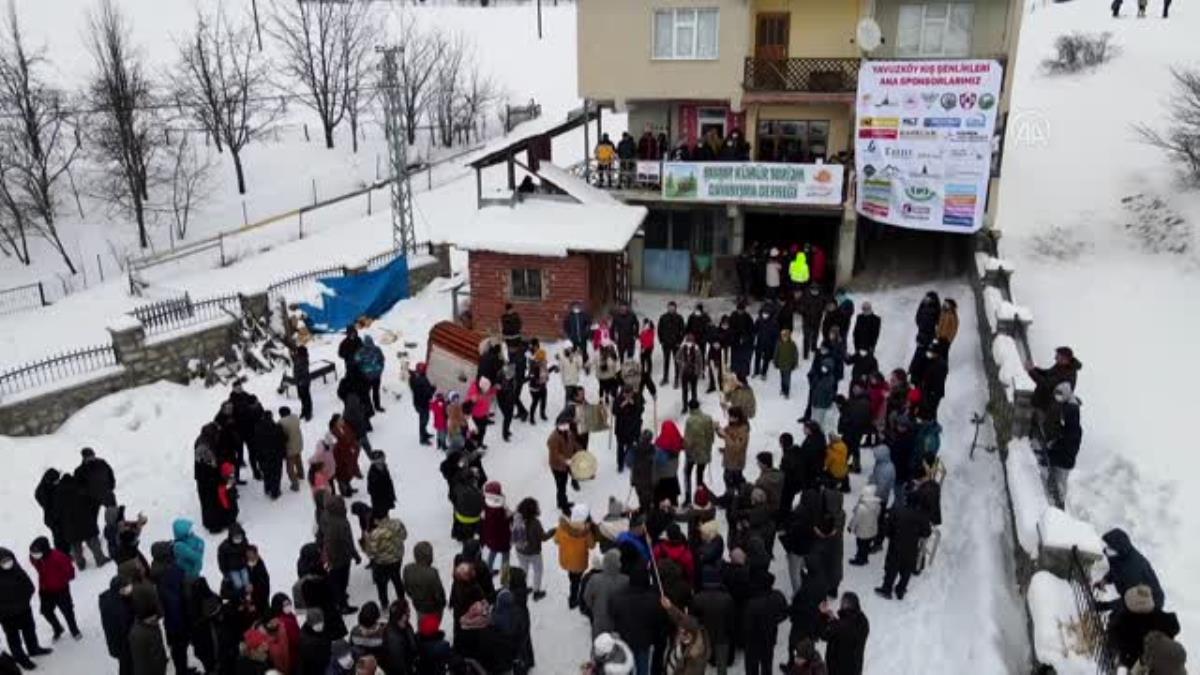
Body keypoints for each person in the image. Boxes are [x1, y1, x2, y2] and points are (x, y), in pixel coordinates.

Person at [611, 568, 667, 675]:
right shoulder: (653, 599)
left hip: (626, 639)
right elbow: (657, 621)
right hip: (643, 642)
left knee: (627, 667)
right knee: (643, 667)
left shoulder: (618, 598)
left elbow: (613, 615)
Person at [1095, 529, 1165, 612]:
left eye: (1110, 548)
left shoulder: (1132, 570)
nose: (1106, 550)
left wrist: (1105, 606)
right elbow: (1116, 570)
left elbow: (1131, 600)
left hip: (1149, 602)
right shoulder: (1121, 555)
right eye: (1107, 546)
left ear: (1119, 549)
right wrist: (1105, 580)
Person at [147, 541, 190, 675]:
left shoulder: (157, 568)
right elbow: (175, 600)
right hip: (177, 620)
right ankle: (182, 671)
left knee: (178, 649)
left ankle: (182, 669)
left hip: (171, 620)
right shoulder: (170, 572)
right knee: (180, 648)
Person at [874, 501, 931, 600]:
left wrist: (891, 535)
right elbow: (926, 533)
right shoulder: (922, 515)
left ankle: (887, 589)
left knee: (892, 567)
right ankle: (901, 590)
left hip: (896, 544)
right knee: (907, 569)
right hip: (912, 547)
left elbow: (887, 528)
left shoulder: (897, 511)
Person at [27, 536, 80, 642]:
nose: (34, 555)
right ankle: (57, 628)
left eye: (36, 552)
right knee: (46, 611)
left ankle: (74, 630)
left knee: (67, 610)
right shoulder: (35, 558)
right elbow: (33, 563)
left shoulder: (59, 557)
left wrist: (61, 580)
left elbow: (71, 573)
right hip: (45, 590)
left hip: (61, 589)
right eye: (33, 552)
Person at [741, 570, 788, 675]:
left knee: (752, 667)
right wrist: (775, 621)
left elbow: (746, 625)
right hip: (769, 638)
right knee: (767, 665)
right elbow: (785, 614)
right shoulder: (778, 596)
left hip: (753, 641)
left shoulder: (751, 603)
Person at [322, 496, 362, 614]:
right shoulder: (341, 523)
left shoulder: (325, 516)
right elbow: (348, 541)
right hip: (341, 557)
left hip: (330, 555)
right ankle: (342, 605)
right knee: (342, 581)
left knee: (335, 580)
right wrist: (355, 555)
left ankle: (337, 600)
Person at [555, 505, 597, 610]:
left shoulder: (563, 528)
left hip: (566, 559)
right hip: (579, 563)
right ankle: (573, 600)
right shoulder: (586, 533)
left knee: (572, 577)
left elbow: (556, 540)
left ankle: (573, 589)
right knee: (576, 581)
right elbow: (592, 546)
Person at [363, 511, 407, 609]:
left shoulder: (374, 533)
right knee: (397, 579)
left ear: (375, 519)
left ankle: (384, 604)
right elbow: (404, 536)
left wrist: (366, 540)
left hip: (381, 563)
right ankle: (402, 599)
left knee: (381, 584)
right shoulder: (397, 524)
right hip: (396, 559)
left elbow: (371, 553)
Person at [1047, 382, 1083, 502]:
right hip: (1066, 454)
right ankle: (1056, 497)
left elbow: (1069, 437)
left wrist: (1055, 445)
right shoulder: (1070, 407)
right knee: (1060, 479)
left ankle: (1059, 505)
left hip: (1066, 456)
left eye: (1060, 395)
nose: (1057, 398)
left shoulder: (1070, 411)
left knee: (1061, 482)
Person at [820, 592, 870, 675]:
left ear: (845, 605)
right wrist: (833, 620)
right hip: (855, 668)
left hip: (839, 669)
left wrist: (823, 615)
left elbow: (825, 634)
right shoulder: (863, 621)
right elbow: (845, 628)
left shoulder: (842, 626)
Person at [403, 541, 446, 633]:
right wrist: (442, 603)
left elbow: (407, 588)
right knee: (431, 628)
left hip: (418, 604)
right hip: (432, 608)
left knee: (421, 623)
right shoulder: (432, 573)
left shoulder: (407, 568)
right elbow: (438, 594)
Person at [681, 400, 715, 506]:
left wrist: (685, 448)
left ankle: (688, 498)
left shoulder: (690, 421)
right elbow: (711, 437)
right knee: (700, 475)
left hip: (692, 453)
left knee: (687, 474)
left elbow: (688, 440)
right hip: (704, 452)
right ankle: (700, 497)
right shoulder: (708, 418)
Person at [128, 583, 168, 675]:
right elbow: (157, 659)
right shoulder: (150, 633)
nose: (157, 621)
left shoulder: (136, 628)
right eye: (156, 618)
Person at [548, 416, 581, 513]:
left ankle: (562, 502)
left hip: (566, 464)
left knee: (564, 483)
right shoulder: (553, 437)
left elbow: (573, 443)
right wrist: (566, 461)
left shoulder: (569, 433)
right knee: (561, 486)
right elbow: (555, 453)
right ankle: (563, 506)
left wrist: (580, 450)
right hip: (557, 467)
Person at [716, 406, 750, 496]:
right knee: (729, 478)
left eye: (731, 416)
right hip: (729, 459)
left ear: (737, 417)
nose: (729, 418)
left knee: (734, 480)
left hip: (736, 461)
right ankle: (730, 495)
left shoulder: (743, 430)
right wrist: (717, 429)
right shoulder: (732, 425)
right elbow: (724, 433)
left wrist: (725, 435)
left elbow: (737, 447)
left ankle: (735, 498)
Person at [847, 485, 882, 567]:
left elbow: (855, 519)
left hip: (862, 531)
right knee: (866, 545)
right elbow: (877, 515)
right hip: (872, 529)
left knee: (860, 545)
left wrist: (850, 527)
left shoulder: (861, 507)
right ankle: (865, 558)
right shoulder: (877, 505)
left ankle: (860, 559)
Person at [653, 421, 685, 505]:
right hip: (672, 474)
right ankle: (674, 508)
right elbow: (684, 445)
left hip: (661, 475)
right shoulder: (678, 439)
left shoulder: (659, 441)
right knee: (673, 496)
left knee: (659, 497)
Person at [355, 335, 386, 413]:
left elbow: (382, 359)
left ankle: (377, 406)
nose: (369, 346)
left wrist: (380, 370)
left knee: (375, 392)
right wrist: (363, 372)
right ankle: (368, 408)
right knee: (366, 393)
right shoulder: (360, 352)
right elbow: (357, 363)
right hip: (367, 377)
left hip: (376, 376)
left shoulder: (377, 349)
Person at [657, 302, 685, 386]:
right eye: (670, 307)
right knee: (666, 361)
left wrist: (679, 342)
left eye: (673, 307)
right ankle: (665, 378)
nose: (671, 309)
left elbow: (682, 331)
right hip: (665, 343)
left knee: (676, 361)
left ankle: (677, 379)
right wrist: (661, 340)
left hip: (675, 343)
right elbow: (659, 329)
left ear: (675, 308)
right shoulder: (663, 317)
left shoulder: (679, 318)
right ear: (667, 308)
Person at [409, 363, 436, 446]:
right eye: (424, 369)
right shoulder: (421, 379)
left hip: (418, 403)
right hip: (422, 404)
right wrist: (433, 389)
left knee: (424, 419)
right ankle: (422, 439)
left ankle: (424, 433)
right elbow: (427, 393)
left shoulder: (413, 377)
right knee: (423, 421)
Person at [366, 450, 397, 520]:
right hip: (378, 500)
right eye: (381, 459)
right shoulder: (372, 473)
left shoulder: (384, 468)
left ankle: (385, 518)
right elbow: (370, 488)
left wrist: (392, 494)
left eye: (383, 458)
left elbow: (389, 481)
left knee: (386, 511)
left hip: (386, 496)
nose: (383, 460)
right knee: (380, 514)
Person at [676, 334, 703, 410]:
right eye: (688, 341)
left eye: (690, 341)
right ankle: (684, 406)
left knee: (694, 389)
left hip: (693, 372)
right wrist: (682, 363)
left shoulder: (697, 349)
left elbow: (700, 361)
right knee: (684, 390)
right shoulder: (682, 348)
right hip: (684, 372)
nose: (689, 343)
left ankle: (694, 404)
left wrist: (699, 371)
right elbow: (677, 358)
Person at [774, 327, 800, 398]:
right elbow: (776, 353)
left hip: (789, 365)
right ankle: (783, 389)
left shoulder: (792, 344)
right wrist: (775, 362)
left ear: (788, 337)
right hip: (781, 364)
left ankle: (787, 392)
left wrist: (795, 363)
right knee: (782, 378)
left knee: (787, 379)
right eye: (783, 337)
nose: (784, 338)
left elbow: (796, 354)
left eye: (785, 337)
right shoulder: (779, 344)